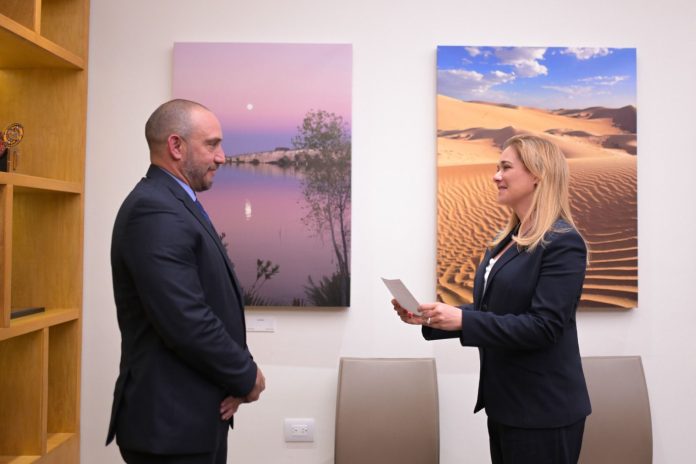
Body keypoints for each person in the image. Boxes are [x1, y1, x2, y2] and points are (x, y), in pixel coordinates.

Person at [393, 134, 591, 464]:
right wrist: (431, 317)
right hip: (506, 405)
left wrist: (463, 320)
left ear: (537, 175)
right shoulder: (507, 241)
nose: (496, 176)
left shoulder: (563, 243)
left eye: (505, 167)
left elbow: (544, 327)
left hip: (543, 410)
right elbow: (494, 310)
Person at [107, 99, 265, 464]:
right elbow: (186, 318)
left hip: (191, 422)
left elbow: (209, 305)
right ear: (176, 146)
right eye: (211, 144)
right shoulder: (155, 209)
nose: (222, 157)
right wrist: (246, 376)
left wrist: (235, 375)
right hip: (170, 430)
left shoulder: (174, 202)